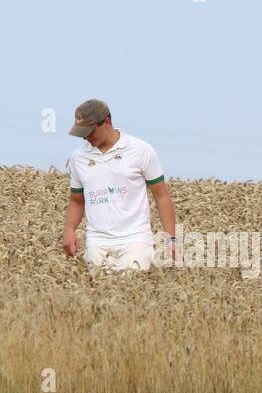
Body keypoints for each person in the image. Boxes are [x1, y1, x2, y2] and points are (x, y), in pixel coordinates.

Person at [63, 99, 177, 274]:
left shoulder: (141, 150)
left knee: (127, 285)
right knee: (94, 293)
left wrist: (171, 239)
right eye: (82, 133)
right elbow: (77, 201)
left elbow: (161, 195)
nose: (86, 137)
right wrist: (69, 229)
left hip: (135, 239)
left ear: (107, 122)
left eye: (89, 131)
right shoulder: (78, 158)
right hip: (96, 242)